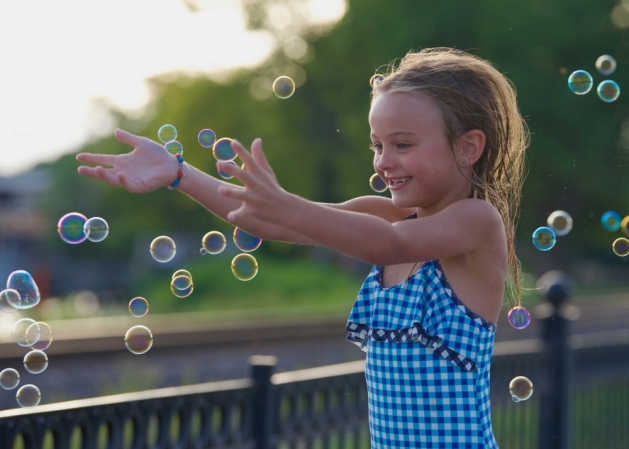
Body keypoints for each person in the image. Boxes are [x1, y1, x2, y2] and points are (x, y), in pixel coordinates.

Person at [77, 47, 528, 448]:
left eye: (403, 144)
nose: (384, 161)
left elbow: (388, 246)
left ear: (468, 147)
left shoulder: (476, 223)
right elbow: (264, 220)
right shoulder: (384, 214)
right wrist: (178, 174)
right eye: (377, 145)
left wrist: (288, 205)